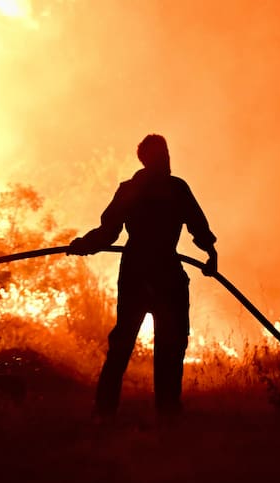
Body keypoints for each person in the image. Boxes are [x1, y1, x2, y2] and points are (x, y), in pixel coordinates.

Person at [67, 134, 217, 420]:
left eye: (167, 153)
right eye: (163, 154)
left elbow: (108, 232)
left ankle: (116, 411)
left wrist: (85, 245)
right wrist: (84, 245)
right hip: (163, 275)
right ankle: (159, 413)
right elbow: (198, 227)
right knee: (158, 347)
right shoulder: (172, 189)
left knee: (139, 347)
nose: (167, 160)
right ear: (153, 158)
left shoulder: (143, 189)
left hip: (141, 273)